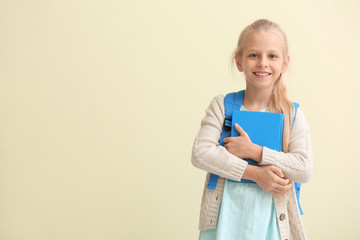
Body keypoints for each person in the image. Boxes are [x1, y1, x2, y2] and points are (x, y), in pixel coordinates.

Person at [191, 19, 313, 240]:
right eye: (253, 55)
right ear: (239, 61)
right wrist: (256, 174)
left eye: (272, 56)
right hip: (225, 219)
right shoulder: (222, 106)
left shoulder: (292, 115)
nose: (262, 63)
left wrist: (255, 152)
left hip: (271, 223)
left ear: (284, 63)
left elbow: (304, 169)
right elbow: (201, 153)